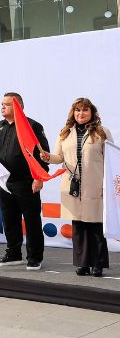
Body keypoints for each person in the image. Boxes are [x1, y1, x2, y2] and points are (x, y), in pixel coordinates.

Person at [41, 98, 113, 277]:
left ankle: (98, 264)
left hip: (96, 186)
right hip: (72, 187)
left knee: (96, 225)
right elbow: (58, 157)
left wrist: (109, 184)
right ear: (73, 113)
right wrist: (47, 157)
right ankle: (82, 264)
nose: (81, 114)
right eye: (78, 110)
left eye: (85, 110)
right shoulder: (65, 133)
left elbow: (112, 160)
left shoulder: (102, 132)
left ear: (92, 113)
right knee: (78, 227)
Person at [0, 93, 49, 270]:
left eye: (7, 104)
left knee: (31, 220)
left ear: (18, 106)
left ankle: (35, 257)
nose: (2, 107)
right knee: (9, 219)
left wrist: (39, 178)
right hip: (5, 182)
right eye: (2, 104)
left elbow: (43, 155)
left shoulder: (32, 126)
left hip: (26, 182)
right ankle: (13, 253)